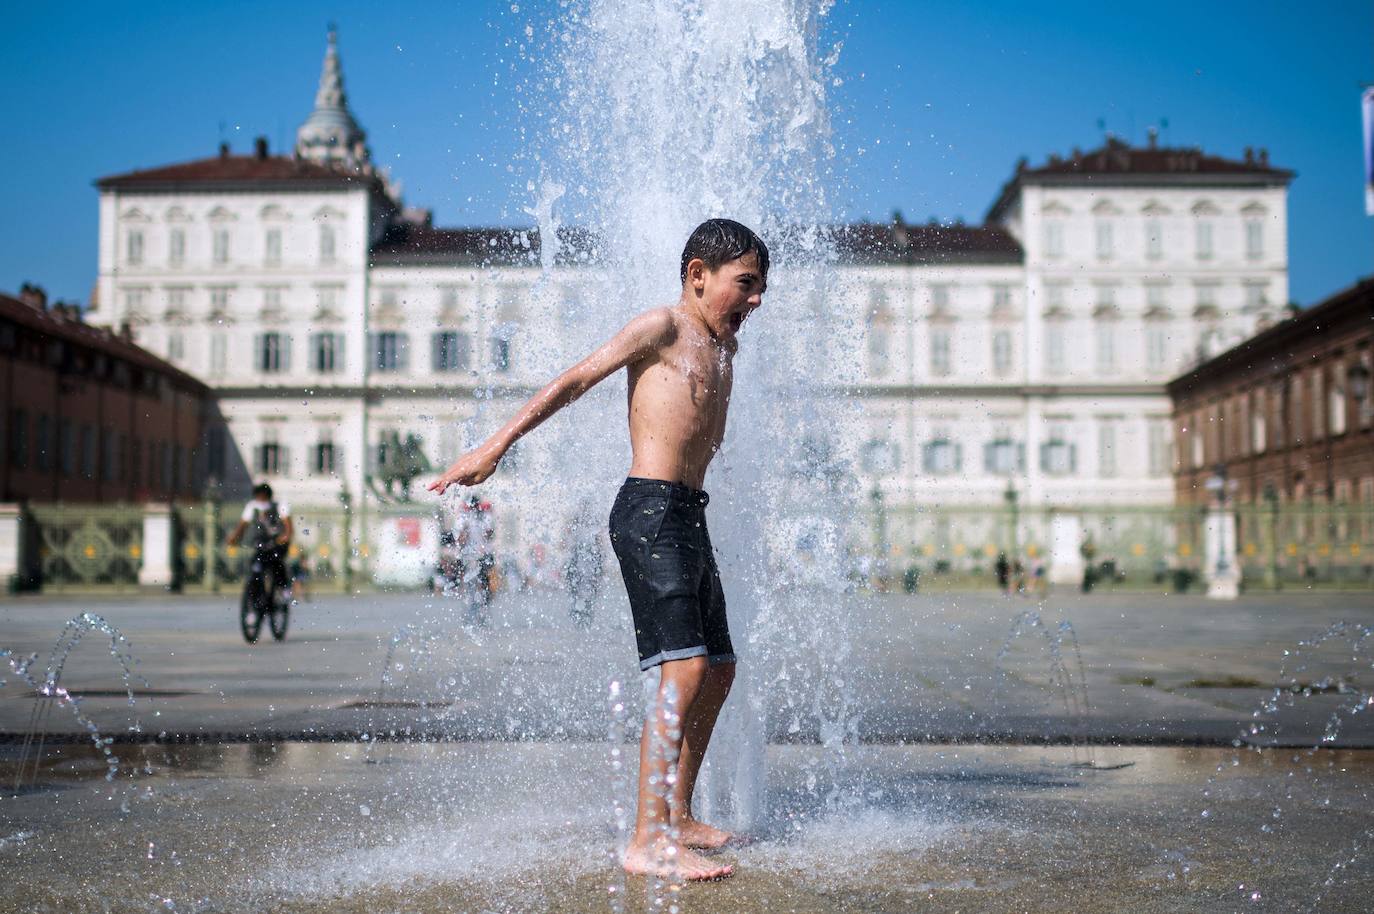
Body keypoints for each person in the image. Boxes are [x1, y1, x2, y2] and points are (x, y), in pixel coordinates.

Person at [429, 218, 767, 882]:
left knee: (719, 669)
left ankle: (678, 813)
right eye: (746, 285)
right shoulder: (661, 327)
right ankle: (647, 838)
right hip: (648, 510)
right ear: (698, 275)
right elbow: (576, 380)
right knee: (686, 671)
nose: (756, 301)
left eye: (761, 290)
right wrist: (494, 446)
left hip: (687, 515)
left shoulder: (724, 350)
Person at [226, 483, 293, 602]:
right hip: (261, 543)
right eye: (258, 497)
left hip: (277, 542)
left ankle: (283, 588)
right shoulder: (252, 506)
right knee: (255, 565)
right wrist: (234, 538)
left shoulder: (279, 505)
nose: (260, 500)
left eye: (263, 497)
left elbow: (288, 526)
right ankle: (254, 595)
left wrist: (285, 536)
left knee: (277, 563)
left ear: (268, 496)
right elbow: (243, 525)